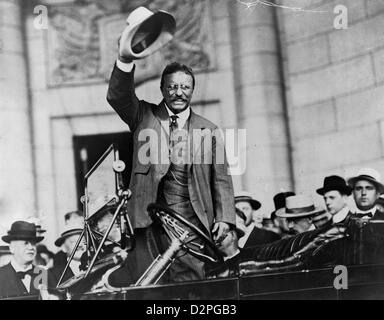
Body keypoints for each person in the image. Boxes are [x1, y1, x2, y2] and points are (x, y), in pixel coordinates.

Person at [106, 9, 235, 283]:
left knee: (193, 286)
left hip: (193, 222)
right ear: (163, 89)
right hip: (147, 223)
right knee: (150, 287)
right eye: (172, 87)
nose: (179, 93)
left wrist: (225, 218)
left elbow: (221, 179)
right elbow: (118, 96)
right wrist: (124, 60)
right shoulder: (143, 116)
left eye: (185, 87)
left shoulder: (209, 129)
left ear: (192, 90)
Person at [0, 221, 44, 299]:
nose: (31, 247)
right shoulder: (1, 275)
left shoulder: (43, 274)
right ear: (12, 248)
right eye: (26, 243)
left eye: (33, 243)